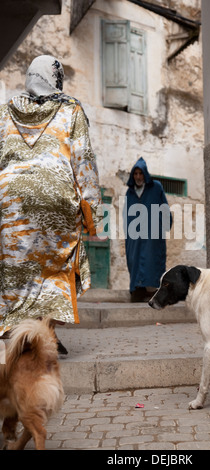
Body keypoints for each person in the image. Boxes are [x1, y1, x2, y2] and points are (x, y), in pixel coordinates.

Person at [0, 55, 104, 352]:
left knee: (17, 269)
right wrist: (91, 211)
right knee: (53, 270)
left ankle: (19, 336)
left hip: (11, 201)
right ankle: (47, 333)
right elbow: (83, 159)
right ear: (56, 79)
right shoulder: (70, 109)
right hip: (55, 197)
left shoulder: (4, 112)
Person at [124, 157, 172, 302]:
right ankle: (138, 290)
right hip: (134, 233)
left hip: (152, 231)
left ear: (145, 174)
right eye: (135, 174)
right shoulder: (130, 192)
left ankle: (155, 291)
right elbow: (126, 213)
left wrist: (165, 225)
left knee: (153, 258)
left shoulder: (156, 187)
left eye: (140, 173)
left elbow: (164, 207)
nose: (138, 177)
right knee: (135, 259)